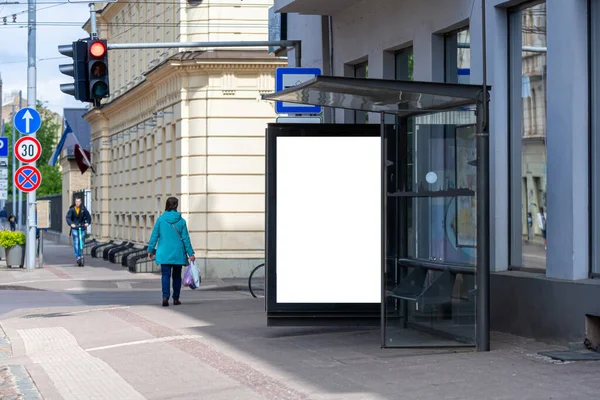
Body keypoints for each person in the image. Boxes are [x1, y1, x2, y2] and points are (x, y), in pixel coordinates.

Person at [147, 197, 195, 307]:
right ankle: (176, 298)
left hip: (164, 252)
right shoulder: (181, 221)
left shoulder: (160, 220)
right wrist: (191, 253)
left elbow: (155, 235)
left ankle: (165, 297)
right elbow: (186, 238)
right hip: (178, 253)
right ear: (176, 206)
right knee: (177, 276)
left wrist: (150, 250)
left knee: (165, 275)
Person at [66, 197, 91, 266]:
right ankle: (78, 256)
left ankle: (81, 254)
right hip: (75, 228)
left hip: (82, 227)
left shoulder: (83, 209)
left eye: (79, 202)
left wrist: (87, 223)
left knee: (82, 242)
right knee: (76, 241)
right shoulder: (72, 209)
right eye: (76, 202)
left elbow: (88, 217)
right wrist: (71, 224)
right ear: (75, 202)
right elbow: (68, 218)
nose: (77, 203)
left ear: (81, 202)